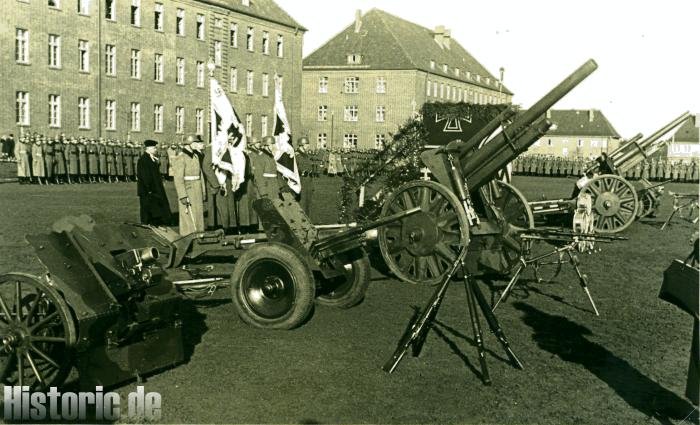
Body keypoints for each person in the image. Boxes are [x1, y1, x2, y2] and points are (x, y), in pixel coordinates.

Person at [172, 136, 206, 235]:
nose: (197, 144)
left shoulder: (196, 156)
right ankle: (187, 236)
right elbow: (178, 179)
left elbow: (201, 175)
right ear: (189, 144)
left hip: (197, 188)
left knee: (198, 214)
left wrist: (203, 191)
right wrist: (182, 195)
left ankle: (199, 235)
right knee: (187, 216)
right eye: (195, 142)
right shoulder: (181, 157)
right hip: (188, 189)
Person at [136, 140, 171, 226]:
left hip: (153, 187)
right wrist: (149, 188)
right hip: (147, 188)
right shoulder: (143, 159)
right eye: (154, 148)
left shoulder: (151, 158)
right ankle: (145, 221)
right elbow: (145, 176)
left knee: (153, 205)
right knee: (146, 205)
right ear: (149, 148)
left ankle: (154, 221)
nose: (156, 149)